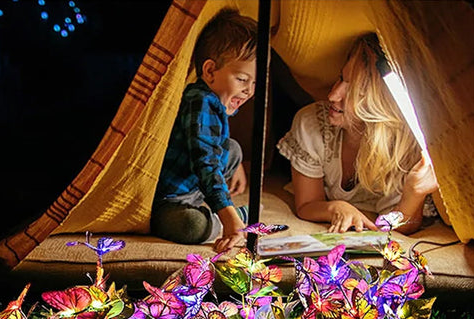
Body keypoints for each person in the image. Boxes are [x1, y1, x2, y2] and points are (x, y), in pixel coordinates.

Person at [277, 33, 438, 235]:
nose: (333, 94)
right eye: (340, 78)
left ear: (380, 102)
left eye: (353, 92)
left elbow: (399, 224)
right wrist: (335, 207)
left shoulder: (403, 147)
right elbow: (307, 203)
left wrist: (413, 195)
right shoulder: (313, 124)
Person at [151, 8, 257, 253]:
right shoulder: (200, 101)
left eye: (254, 83)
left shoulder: (217, 100)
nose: (249, 91)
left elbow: (215, 142)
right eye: (242, 79)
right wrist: (228, 218)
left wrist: (236, 163)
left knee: (233, 149)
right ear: (210, 71)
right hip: (171, 200)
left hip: (194, 188)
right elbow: (205, 163)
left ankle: (222, 212)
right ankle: (226, 218)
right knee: (192, 226)